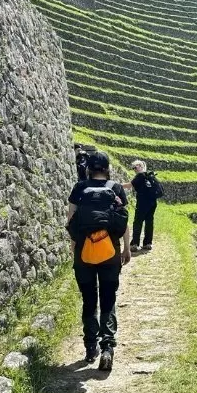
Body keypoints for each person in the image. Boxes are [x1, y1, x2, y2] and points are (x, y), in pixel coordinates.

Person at [67, 151, 131, 370]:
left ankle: (90, 347)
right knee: (108, 297)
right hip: (110, 251)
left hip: (84, 250)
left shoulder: (79, 188)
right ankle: (107, 347)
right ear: (107, 168)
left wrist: (74, 249)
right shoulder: (116, 188)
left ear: (89, 169)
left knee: (88, 299)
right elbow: (123, 221)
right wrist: (126, 248)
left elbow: (71, 220)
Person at [123, 160, 162, 252]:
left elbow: (129, 185)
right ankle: (148, 243)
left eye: (135, 167)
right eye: (133, 168)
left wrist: (116, 185)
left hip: (142, 202)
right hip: (152, 202)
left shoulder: (140, 176)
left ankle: (135, 243)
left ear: (140, 166)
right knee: (149, 221)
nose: (134, 170)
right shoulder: (150, 176)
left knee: (138, 222)